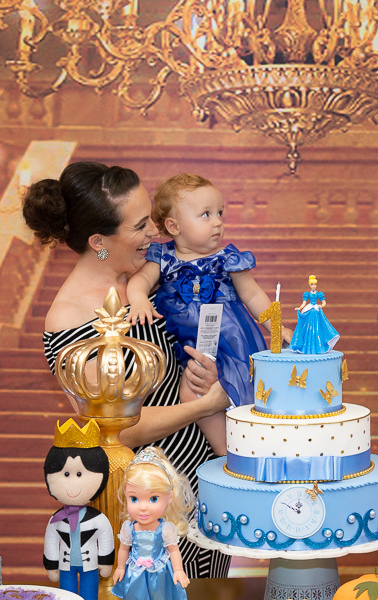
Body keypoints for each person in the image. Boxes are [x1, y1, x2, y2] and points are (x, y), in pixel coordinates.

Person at [23, 161, 232, 578]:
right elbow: (115, 429)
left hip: (204, 491)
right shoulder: (69, 318)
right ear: (98, 241)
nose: (154, 232)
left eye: (151, 217)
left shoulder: (149, 279)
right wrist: (208, 403)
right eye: (139, 226)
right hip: (148, 507)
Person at [126, 173, 290, 455]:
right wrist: (139, 299)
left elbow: (252, 295)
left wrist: (277, 327)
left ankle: (256, 447)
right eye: (205, 215)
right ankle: (226, 453)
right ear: (174, 226)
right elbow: (138, 282)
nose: (218, 222)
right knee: (192, 392)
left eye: (220, 214)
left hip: (233, 341)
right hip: (198, 349)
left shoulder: (227, 259)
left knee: (245, 390)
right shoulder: (163, 258)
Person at [43, 418, 115, 600]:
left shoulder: (97, 519)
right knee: (67, 595)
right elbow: (51, 542)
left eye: (80, 474)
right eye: (66, 474)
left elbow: (106, 537)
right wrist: (51, 565)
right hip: (65, 566)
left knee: (89, 595)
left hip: (90, 566)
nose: (73, 484)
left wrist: (106, 562)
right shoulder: (56, 520)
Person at [112, 447, 193, 600]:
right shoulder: (129, 528)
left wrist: (178, 570)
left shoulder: (165, 529)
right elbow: (124, 549)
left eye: (153, 499)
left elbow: (174, 551)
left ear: (169, 497)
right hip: (135, 573)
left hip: (160, 573)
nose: (143, 507)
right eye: (134, 498)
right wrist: (120, 567)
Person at [291, 275, 339, 354]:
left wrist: (321, 305)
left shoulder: (318, 294)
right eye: (312, 284)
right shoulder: (307, 294)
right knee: (307, 327)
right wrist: (299, 308)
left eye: (315, 284)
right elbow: (304, 303)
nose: (313, 286)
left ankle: (318, 346)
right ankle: (306, 346)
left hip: (316, 310)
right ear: (309, 285)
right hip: (310, 309)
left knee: (317, 327)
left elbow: (324, 302)